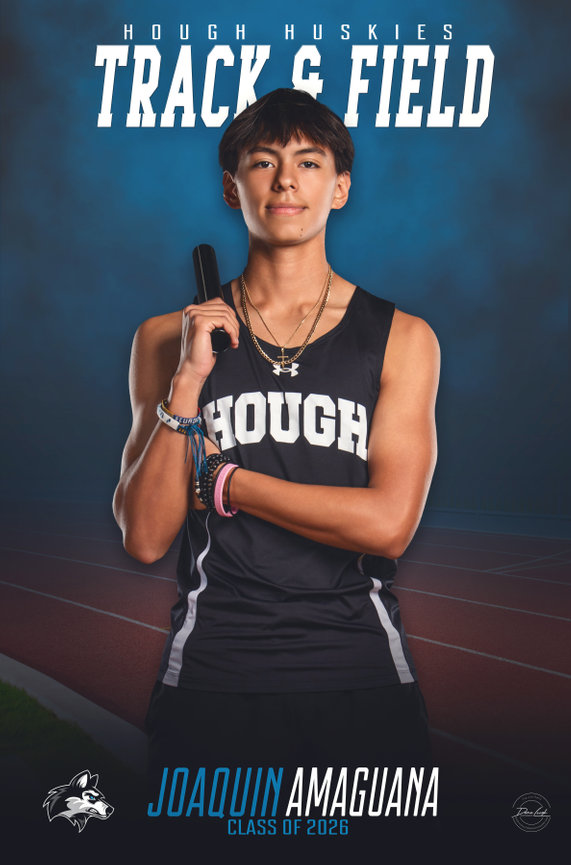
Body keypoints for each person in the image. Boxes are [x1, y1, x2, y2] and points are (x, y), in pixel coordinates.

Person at [113, 88, 440, 791]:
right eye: (261, 162)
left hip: (361, 678)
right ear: (233, 189)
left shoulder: (401, 339)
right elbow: (144, 536)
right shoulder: (167, 337)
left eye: (308, 161)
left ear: (340, 186)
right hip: (209, 681)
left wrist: (233, 485)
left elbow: (388, 525)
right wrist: (189, 381)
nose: (285, 180)